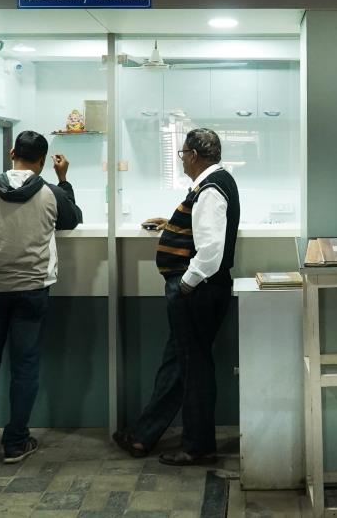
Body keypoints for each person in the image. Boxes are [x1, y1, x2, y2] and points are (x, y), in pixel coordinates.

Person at [113, 128, 240, 466]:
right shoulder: (214, 183)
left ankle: (198, 446)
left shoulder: (210, 189)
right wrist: (171, 223)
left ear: (194, 155)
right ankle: (143, 436)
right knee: (178, 364)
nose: (182, 159)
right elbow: (203, 229)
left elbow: (210, 250)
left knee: (194, 368)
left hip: (198, 291)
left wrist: (186, 283)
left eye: (183, 153)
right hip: (203, 290)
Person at [0, 130, 82, 463]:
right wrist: (64, 180)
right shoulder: (51, 192)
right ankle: (15, 442)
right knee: (25, 367)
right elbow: (72, 219)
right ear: (42, 160)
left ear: (12, 153)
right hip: (33, 290)